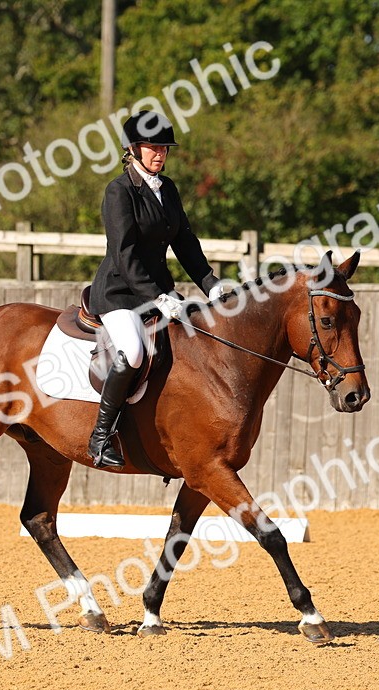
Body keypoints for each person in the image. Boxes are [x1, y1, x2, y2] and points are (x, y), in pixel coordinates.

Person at [86, 111, 230, 468]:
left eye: (164, 148)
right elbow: (124, 254)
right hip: (120, 293)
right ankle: (100, 437)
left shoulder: (168, 189)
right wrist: (159, 296)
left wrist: (210, 282)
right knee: (134, 351)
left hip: (159, 294)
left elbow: (185, 242)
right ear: (133, 149)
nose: (160, 154)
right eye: (152, 148)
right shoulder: (119, 191)